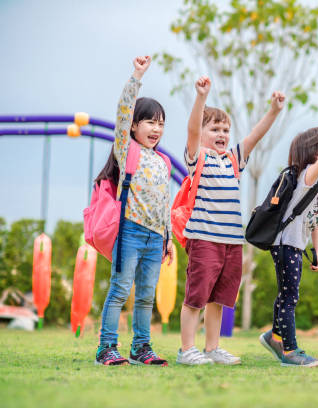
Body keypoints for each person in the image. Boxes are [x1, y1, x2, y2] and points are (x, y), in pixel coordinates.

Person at [176, 75, 285, 365]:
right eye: (215, 129)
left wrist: (273, 111)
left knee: (218, 299)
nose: (222, 133)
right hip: (205, 239)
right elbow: (191, 130)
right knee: (196, 297)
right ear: (202, 134)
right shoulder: (198, 157)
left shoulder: (233, 159)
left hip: (231, 242)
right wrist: (201, 97)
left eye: (226, 129)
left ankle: (212, 348)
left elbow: (254, 137)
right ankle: (187, 349)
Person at [259, 107, 318, 367]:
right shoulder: (308, 177)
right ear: (315, 153)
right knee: (289, 297)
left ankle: (274, 336)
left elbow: (316, 220)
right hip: (285, 243)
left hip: (296, 245)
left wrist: (317, 251)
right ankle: (289, 351)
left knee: (286, 294)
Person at [96, 56, 174, 366]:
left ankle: (141, 347)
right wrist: (136, 76)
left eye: (161, 123)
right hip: (129, 230)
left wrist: (167, 237)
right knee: (119, 291)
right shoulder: (127, 150)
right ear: (134, 126)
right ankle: (106, 348)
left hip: (155, 236)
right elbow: (121, 112)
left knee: (145, 296)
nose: (157, 128)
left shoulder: (163, 161)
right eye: (150, 122)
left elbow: (163, 203)